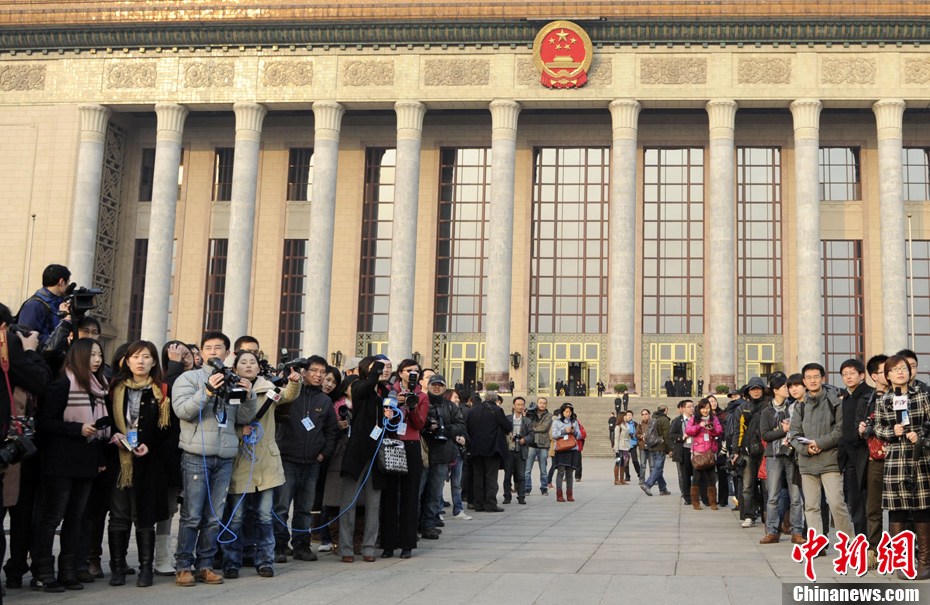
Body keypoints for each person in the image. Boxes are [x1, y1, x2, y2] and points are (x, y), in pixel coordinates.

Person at [171, 331, 258, 587]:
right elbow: (183, 411)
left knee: (214, 516)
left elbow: (242, 418)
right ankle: (183, 566)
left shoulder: (234, 379)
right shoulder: (189, 378)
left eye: (218, 348)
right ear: (201, 352)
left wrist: (249, 395)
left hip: (225, 456)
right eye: (208, 348)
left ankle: (206, 565)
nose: (213, 352)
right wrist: (207, 391)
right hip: (196, 455)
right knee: (192, 515)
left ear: (227, 353)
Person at [32, 338, 109, 592]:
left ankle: (67, 571)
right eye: (92, 355)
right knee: (52, 517)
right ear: (78, 356)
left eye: (99, 355)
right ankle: (43, 572)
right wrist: (77, 429)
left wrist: (100, 458)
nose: (97, 360)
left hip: (86, 461)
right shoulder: (63, 383)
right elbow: (46, 422)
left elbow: (100, 428)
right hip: (60, 462)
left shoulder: (99, 386)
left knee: (76, 518)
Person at [223, 350, 301, 578]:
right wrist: (240, 431)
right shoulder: (229, 390)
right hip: (240, 460)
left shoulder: (270, 390)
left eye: (252, 362)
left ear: (259, 368)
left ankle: (265, 561)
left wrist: (295, 382)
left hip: (266, 461)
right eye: (243, 362)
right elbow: (224, 421)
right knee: (236, 517)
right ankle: (231, 562)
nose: (248, 365)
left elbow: (289, 395)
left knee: (265, 516)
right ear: (235, 368)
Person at [105, 340, 172, 587]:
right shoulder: (115, 387)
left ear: (154, 361)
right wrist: (114, 434)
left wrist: (149, 445)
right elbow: (106, 419)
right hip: (119, 460)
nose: (140, 362)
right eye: (135, 357)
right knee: (119, 514)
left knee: (144, 515)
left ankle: (146, 568)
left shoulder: (161, 390)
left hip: (148, 462)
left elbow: (166, 428)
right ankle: (118, 567)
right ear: (127, 361)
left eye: (146, 357)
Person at [0, 304, 52, 590]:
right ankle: (15, 569)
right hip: (11, 450)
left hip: (21, 451)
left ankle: (16, 568)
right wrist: (30, 351)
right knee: (16, 513)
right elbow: (40, 380)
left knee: (22, 513)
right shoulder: (10, 351)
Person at [272, 355, 339, 563]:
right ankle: (279, 546)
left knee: (305, 508)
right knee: (281, 506)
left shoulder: (325, 401)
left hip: (312, 462)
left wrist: (323, 453)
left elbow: (331, 431)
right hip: (287, 459)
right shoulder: (291, 394)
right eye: (315, 371)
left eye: (323, 372)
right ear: (304, 372)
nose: (319, 375)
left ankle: (302, 545)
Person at [875, 355, 930, 580]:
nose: (900, 372)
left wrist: (921, 437)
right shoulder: (884, 400)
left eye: (904, 368)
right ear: (887, 375)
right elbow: (878, 428)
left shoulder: (922, 396)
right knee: (897, 510)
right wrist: (892, 432)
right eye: (895, 369)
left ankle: (925, 561)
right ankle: (901, 561)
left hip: (920, 458)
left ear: (910, 372)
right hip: (896, 458)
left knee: (921, 509)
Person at [788, 362, 855, 541]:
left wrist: (820, 443)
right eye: (808, 378)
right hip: (807, 462)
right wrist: (806, 448)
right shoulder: (800, 406)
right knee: (811, 506)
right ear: (804, 381)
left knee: (836, 504)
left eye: (816, 377)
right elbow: (794, 434)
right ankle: (817, 543)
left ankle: (849, 541)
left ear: (823, 378)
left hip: (830, 460)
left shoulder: (834, 401)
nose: (812, 381)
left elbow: (840, 430)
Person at [340, 356, 389, 561]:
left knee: (374, 503)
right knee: (348, 502)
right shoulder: (359, 386)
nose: (383, 370)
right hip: (357, 450)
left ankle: (369, 547)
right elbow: (367, 385)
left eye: (386, 367)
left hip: (377, 452)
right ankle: (346, 548)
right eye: (378, 367)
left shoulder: (385, 392)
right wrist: (377, 366)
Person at [380, 359, 428, 559]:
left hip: (411, 444)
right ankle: (388, 543)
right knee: (390, 494)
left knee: (410, 494)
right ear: (400, 373)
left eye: (416, 371)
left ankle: (407, 543)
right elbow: (383, 419)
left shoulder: (422, 396)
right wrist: (395, 404)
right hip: (393, 442)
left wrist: (412, 406)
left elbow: (419, 424)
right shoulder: (389, 392)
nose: (412, 374)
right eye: (409, 370)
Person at [153, 341, 192, 576]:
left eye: (188, 355)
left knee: (189, 509)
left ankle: (184, 555)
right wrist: (175, 366)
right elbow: (168, 395)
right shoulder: (162, 381)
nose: (186, 359)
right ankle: (161, 557)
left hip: (192, 452)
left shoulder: (200, 380)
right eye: (178, 355)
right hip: (169, 454)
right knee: (167, 508)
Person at [758, 374, 804, 545]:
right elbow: (765, 435)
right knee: (773, 496)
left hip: (791, 455)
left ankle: (797, 531)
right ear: (776, 390)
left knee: (796, 496)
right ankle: (771, 531)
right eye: (785, 387)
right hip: (774, 455)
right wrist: (782, 431)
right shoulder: (766, 411)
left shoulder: (793, 407)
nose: (789, 389)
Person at [419, 375, 466, 534]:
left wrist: (444, 429)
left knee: (435, 493)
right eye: (434, 384)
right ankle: (415, 524)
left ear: (445, 388)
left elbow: (460, 425)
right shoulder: (422, 401)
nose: (437, 387)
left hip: (442, 454)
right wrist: (428, 427)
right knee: (418, 492)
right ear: (428, 386)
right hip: (424, 453)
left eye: (440, 385)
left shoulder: (451, 406)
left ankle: (429, 524)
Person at [837, 358, 873, 539]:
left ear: (862, 375)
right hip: (850, 456)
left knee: (867, 501)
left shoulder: (869, 395)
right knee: (855, 500)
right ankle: (862, 539)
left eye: (852, 373)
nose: (848, 377)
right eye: (844, 374)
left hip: (866, 454)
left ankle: (871, 541)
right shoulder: (846, 398)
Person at [466, 391, 510, 512]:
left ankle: (478, 503)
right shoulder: (497, 410)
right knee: (491, 476)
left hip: (475, 448)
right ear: (496, 400)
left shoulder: (473, 411)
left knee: (478, 476)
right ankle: (490, 504)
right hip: (492, 448)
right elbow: (508, 427)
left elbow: (467, 428)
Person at [17, 264, 70, 346]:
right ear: (61, 282)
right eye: (68, 282)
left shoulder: (61, 303)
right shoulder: (34, 305)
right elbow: (26, 335)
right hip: (41, 353)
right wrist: (60, 341)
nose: (68, 286)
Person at [685, 398, 722, 510]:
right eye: (703, 408)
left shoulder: (714, 418)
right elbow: (688, 431)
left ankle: (713, 502)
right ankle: (695, 502)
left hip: (710, 452)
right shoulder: (694, 419)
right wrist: (699, 426)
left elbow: (719, 431)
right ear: (699, 409)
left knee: (711, 478)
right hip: (698, 453)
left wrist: (711, 429)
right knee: (696, 478)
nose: (705, 410)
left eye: (707, 408)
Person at [501, 397, 531, 505]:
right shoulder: (507, 418)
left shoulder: (527, 420)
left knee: (521, 476)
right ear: (514, 406)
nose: (520, 407)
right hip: (509, 450)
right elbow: (502, 431)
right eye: (518, 404)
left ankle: (521, 496)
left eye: (522, 405)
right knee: (507, 475)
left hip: (521, 450)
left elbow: (532, 435)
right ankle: (507, 496)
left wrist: (525, 439)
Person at [551, 403, 581, 502]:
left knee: (570, 473)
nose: (568, 413)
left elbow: (579, 436)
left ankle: (569, 494)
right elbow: (554, 435)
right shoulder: (556, 422)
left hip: (572, 449)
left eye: (570, 412)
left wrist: (573, 431)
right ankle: (559, 494)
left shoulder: (574, 422)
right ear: (562, 412)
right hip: (561, 449)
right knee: (560, 471)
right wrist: (564, 431)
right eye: (566, 411)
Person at [640, 404, 672, 496]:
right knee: (658, 468)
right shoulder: (664, 420)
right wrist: (670, 449)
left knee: (658, 469)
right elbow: (667, 436)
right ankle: (647, 485)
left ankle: (663, 489)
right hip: (660, 447)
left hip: (652, 446)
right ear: (666, 410)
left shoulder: (653, 419)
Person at [524, 397, 551, 495]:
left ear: (546, 405)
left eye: (544, 403)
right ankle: (527, 488)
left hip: (543, 444)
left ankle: (544, 488)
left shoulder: (549, 415)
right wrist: (527, 415)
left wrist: (532, 429)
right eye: (540, 403)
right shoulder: (531, 414)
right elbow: (526, 425)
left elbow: (544, 427)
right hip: (531, 444)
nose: (542, 405)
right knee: (527, 469)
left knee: (543, 469)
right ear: (537, 403)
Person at [670, 400, 694, 505]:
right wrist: (682, 437)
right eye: (689, 406)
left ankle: (698, 495)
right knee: (685, 475)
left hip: (696, 450)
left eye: (693, 406)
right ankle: (687, 497)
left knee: (697, 474)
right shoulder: (677, 421)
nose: (692, 408)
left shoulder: (697, 420)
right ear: (683, 408)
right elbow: (671, 435)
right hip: (683, 450)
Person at [613, 410, 633, 485]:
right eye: (625, 415)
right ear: (622, 417)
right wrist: (616, 450)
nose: (627, 417)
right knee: (617, 463)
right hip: (619, 447)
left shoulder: (627, 425)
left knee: (624, 463)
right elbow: (616, 438)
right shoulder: (618, 427)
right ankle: (616, 480)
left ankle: (622, 479)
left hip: (626, 447)